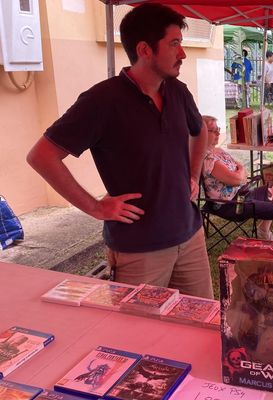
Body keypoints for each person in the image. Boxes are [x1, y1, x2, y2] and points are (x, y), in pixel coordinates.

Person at [26, 4, 213, 298]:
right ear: (145, 49)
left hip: (190, 236)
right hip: (139, 250)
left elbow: (199, 129)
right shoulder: (102, 100)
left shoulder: (177, 90)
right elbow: (41, 156)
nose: (183, 53)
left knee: (200, 329)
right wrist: (95, 206)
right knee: (138, 339)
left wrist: (193, 173)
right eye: (174, 43)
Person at [202, 116, 273, 240]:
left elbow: (242, 171)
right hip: (233, 205)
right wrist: (240, 174)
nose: (218, 133)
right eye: (213, 130)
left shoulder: (218, 150)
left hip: (243, 193)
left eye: (218, 129)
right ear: (202, 133)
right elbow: (237, 179)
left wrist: (240, 174)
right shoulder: (208, 159)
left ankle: (263, 229)